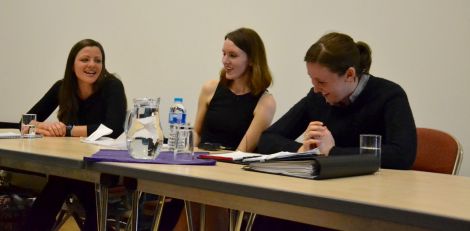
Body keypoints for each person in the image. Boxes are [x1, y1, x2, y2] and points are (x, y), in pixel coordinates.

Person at [254, 32, 417, 230]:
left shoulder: (389, 95)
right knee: (273, 213)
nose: (315, 89)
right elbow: (268, 139)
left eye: (321, 82)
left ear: (349, 75)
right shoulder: (317, 98)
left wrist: (332, 152)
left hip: (368, 203)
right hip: (324, 194)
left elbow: (402, 155)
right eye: (311, 80)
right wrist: (303, 150)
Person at [23, 39, 127, 231]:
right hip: (69, 165)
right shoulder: (62, 87)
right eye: (85, 59)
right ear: (73, 64)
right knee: (54, 190)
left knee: (92, 199)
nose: (92, 65)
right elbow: (26, 122)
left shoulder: (112, 86)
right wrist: (44, 128)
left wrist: (67, 130)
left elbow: (113, 128)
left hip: (100, 169)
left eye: (98, 60)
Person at [194, 27, 276, 152]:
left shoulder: (266, 103)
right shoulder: (209, 88)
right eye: (224, 54)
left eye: (232, 55)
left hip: (231, 167)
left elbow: (241, 153)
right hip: (201, 162)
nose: (225, 61)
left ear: (252, 60)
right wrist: (190, 152)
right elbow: (196, 132)